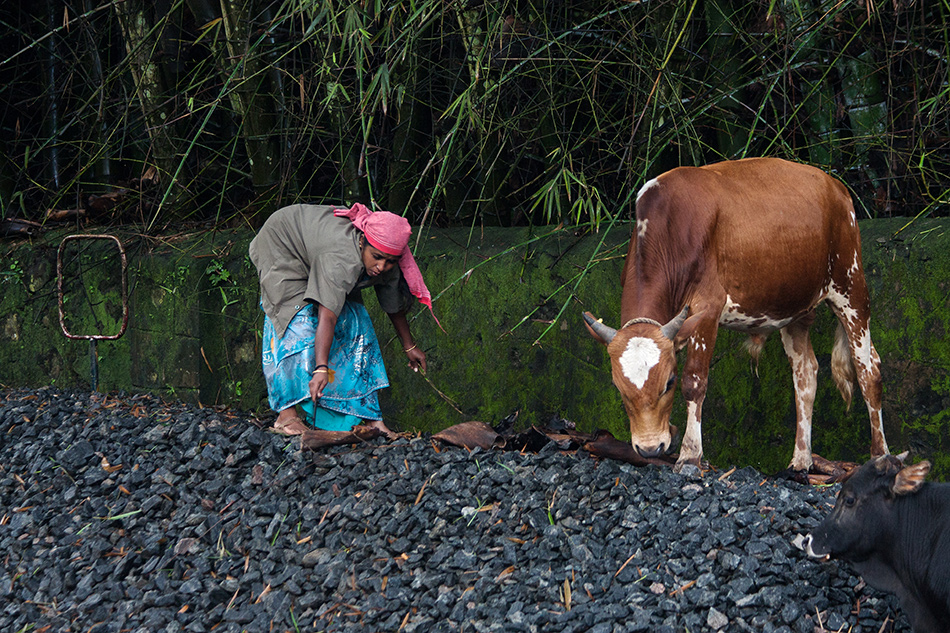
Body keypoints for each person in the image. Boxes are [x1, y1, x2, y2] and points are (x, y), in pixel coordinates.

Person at [249, 202, 438, 436]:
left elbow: (393, 305)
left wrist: (410, 346)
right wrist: (321, 368)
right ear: (362, 241)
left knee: (357, 325)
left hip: (323, 256)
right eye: (376, 257)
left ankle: (371, 419)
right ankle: (286, 415)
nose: (381, 266)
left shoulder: (386, 255)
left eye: (389, 261)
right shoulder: (340, 258)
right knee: (294, 320)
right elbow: (327, 317)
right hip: (282, 245)